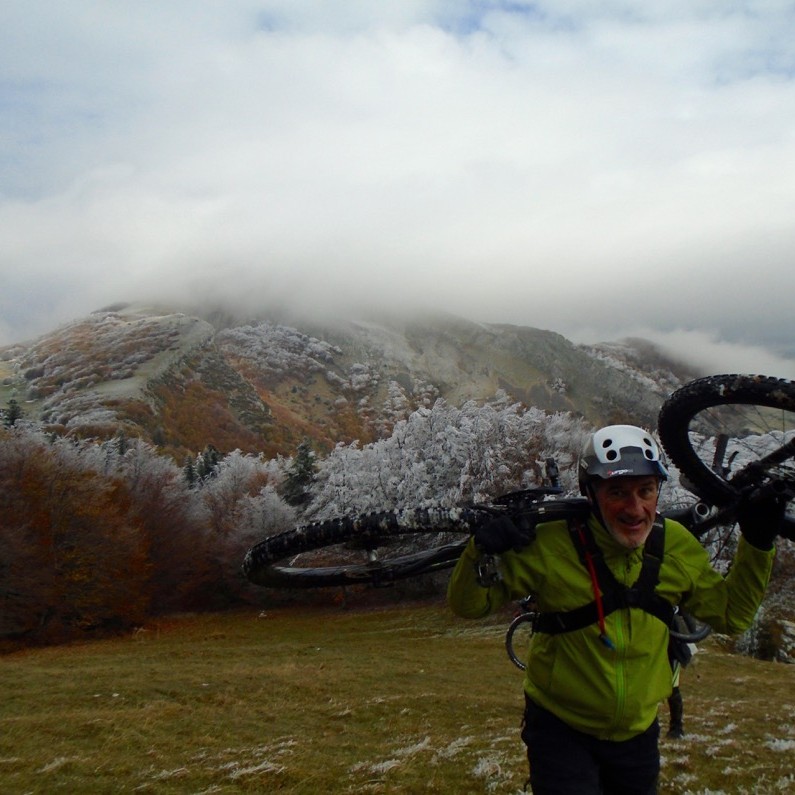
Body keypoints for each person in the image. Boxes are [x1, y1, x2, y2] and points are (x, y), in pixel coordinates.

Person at [447, 425, 784, 795]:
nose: (635, 508)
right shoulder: (549, 542)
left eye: (646, 491)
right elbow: (469, 606)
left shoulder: (676, 547)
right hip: (561, 729)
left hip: (637, 735)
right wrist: (480, 551)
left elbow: (732, 615)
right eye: (617, 492)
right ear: (591, 493)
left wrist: (758, 542)